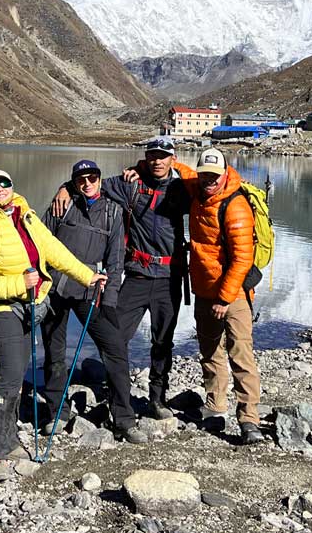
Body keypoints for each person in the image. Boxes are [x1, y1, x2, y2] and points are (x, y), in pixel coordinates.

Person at [0, 168, 108, 482]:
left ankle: (10, 439)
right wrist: (19, 284)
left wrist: (87, 276)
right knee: (9, 377)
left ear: (12, 186)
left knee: (16, 375)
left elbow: (54, 251)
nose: (1, 189)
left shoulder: (26, 215)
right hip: (1, 309)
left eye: (5, 183)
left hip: (31, 307)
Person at [55, 136, 196, 419]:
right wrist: (65, 189)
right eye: (151, 156)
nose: (157, 161)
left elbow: (211, 187)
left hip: (169, 277)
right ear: (145, 158)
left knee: (162, 342)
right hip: (136, 275)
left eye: (163, 156)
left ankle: (157, 398)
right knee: (114, 337)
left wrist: (178, 169)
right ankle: (117, 395)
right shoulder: (130, 184)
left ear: (173, 158)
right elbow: (91, 183)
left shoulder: (183, 188)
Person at [40, 159, 144, 444]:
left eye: (92, 178)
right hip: (55, 288)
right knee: (54, 351)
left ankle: (123, 418)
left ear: (99, 179)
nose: (87, 184)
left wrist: (109, 300)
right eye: (81, 180)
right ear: (74, 183)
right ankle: (56, 413)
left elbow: (115, 261)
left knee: (115, 348)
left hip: (91, 290)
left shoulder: (113, 212)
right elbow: (40, 243)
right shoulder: (62, 206)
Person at [186, 147, 265, 445]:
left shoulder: (235, 206)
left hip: (233, 294)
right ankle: (215, 405)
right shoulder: (197, 191)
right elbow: (179, 171)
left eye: (214, 175)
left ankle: (249, 419)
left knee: (240, 353)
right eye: (204, 174)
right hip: (204, 289)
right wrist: (143, 166)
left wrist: (224, 298)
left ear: (225, 174)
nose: (209, 179)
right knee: (210, 351)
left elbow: (243, 259)